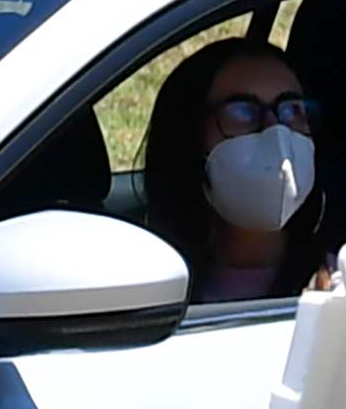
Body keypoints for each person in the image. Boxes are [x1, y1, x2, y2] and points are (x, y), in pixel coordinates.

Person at [138, 37, 328, 305]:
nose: (276, 132)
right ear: (189, 136)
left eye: (293, 111)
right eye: (243, 112)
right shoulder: (141, 282)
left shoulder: (344, 286)